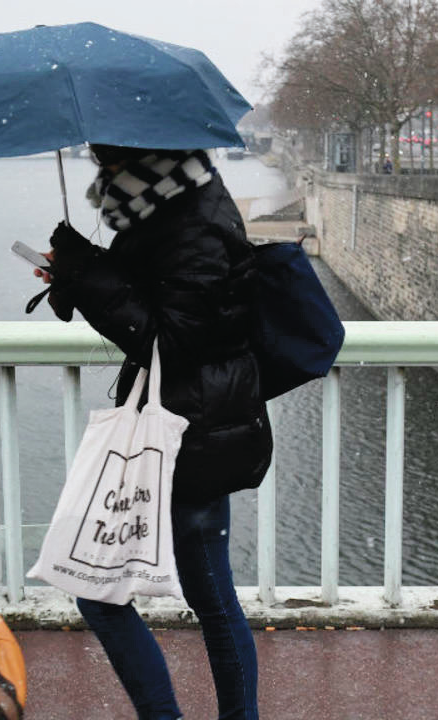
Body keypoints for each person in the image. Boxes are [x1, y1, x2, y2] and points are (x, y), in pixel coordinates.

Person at [35, 144, 273, 720]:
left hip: (187, 434)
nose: (96, 160)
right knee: (212, 600)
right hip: (194, 426)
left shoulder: (195, 223)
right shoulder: (173, 205)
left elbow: (173, 342)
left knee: (97, 588)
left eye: (106, 152)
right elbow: (153, 305)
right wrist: (77, 269)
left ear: (142, 152)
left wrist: (86, 274)